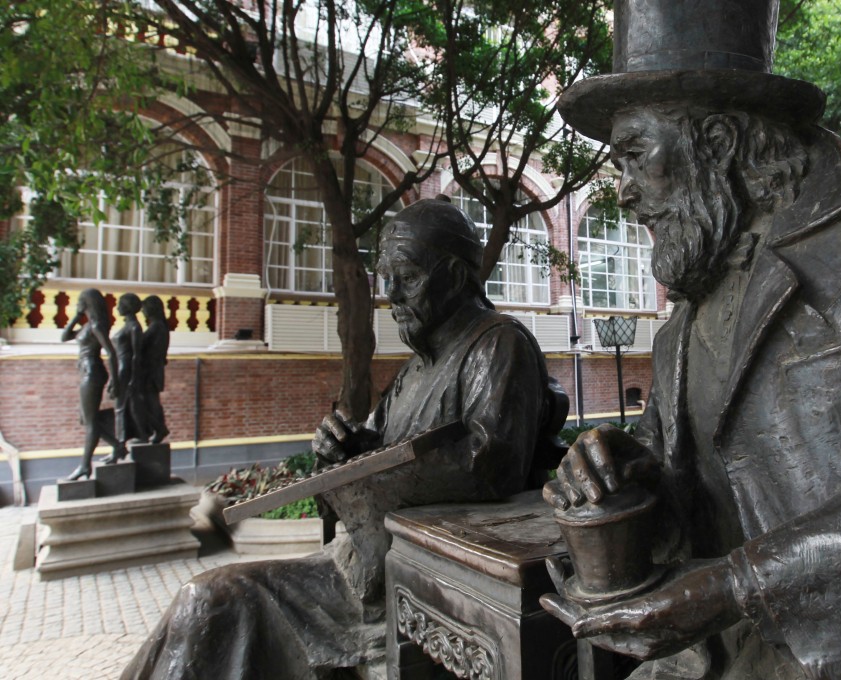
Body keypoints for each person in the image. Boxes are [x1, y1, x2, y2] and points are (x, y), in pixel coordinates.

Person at [541, 1, 841, 679]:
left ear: (716, 142)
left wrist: (741, 584)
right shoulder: (680, 329)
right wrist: (620, 480)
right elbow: (699, 502)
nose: (620, 191)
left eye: (634, 154)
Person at [122, 198, 559, 679]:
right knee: (205, 602)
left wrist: (370, 473)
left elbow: (490, 464)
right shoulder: (415, 369)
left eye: (407, 278)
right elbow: (372, 442)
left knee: (209, 600)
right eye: (386, 278)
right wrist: (341, 448)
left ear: (455, 278)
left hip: (418, 579)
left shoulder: (497, 343)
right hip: (363, 564)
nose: (390, 294)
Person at [61, 288, 121, 480]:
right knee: (86, 418)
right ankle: (118, 446)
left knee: (89, 420)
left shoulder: (96, 325)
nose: (76, 304)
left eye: (79, 301)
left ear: (87, 302)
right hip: (87, 372)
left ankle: (85, 465)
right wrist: (77, 316)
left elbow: (111, 353)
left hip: (93, 372)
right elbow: (65, 336)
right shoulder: (88, 325)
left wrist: (115, 379)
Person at [99, 293, 147, 463]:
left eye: (120, 304)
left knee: (121, 408)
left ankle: (119, 446)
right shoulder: (128, 326)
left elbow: (136, 355)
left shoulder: (134, 327)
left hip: (126, 370)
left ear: (129, 306)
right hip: (121, 368)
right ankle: (120, 445)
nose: (117, 307)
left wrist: (133, 378)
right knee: (122, 408)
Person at [140, 295, 169, 444]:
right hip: (153, 370)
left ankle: (158, 429)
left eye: (144, 308)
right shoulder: (159, 326)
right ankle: (155, 430)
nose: (142, 311)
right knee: (151, 402)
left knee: (149, 402)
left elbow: (141, 345)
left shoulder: (156, 326)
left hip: (150, 372)